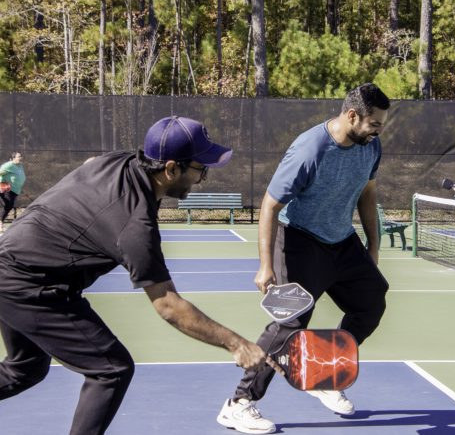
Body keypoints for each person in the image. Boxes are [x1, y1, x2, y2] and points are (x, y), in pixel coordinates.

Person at [0, 116, 279, 435]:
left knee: (25, 368)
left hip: (12, 261)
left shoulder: (122, 161)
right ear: (171, 168)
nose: (203, 178)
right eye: (200, 170)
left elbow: (92, 162)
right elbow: (169, 307)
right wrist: (236, 344)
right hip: (30, 284)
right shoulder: (133, 225)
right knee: (112, 369)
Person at [217, 83, 391, 435]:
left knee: (371, 302)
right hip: (297, 240)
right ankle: (239, 403)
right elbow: (270, 204)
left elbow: (367, 194)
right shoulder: (310, 149)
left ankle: (327, 375)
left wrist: (373, 245)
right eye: (374, 123)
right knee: (289, 324)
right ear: (351, 116)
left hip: (342, 240)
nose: (378, 130)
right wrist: (266, 264)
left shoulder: (370, 148)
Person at [0, 152, 26, 233]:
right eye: (19, 156)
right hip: (6, 188)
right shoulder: (9, 165)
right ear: (13, 158)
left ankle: (0, 221)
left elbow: (19, 176)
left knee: (9, 205)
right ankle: (0, 222)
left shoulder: (20, 165)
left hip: (15, 190)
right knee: (8, 205)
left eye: (21, 156)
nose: (20, 157)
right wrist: (2, 182)